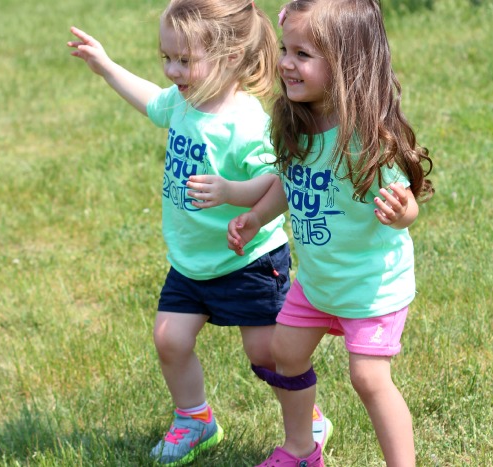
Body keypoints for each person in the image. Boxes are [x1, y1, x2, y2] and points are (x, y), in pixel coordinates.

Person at [67, 1, 332, 465]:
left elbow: (277, 184)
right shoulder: (183, 102)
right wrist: (106, 66)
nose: (172, 70)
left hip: (248, 261)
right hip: (191, 262)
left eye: (185, 61)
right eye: (166, 58)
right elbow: (150, 99)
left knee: (267, 355)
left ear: (230, 57)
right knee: (170, 339)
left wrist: (232, 192)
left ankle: (308, 418)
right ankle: (195, 418)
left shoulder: (247, 122)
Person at [191, 0, 434, 465]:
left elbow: (406, 206)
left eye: (302, 54)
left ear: (347, 64)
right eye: (286, 48)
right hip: (318, 283)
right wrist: (257, 217)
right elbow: (289, 182)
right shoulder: (296, 124)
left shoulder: (366, 139)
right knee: (285, 352)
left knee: (368, 379)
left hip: (370, 287)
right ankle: (302, 448)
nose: (285, 62)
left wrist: (402, 212)